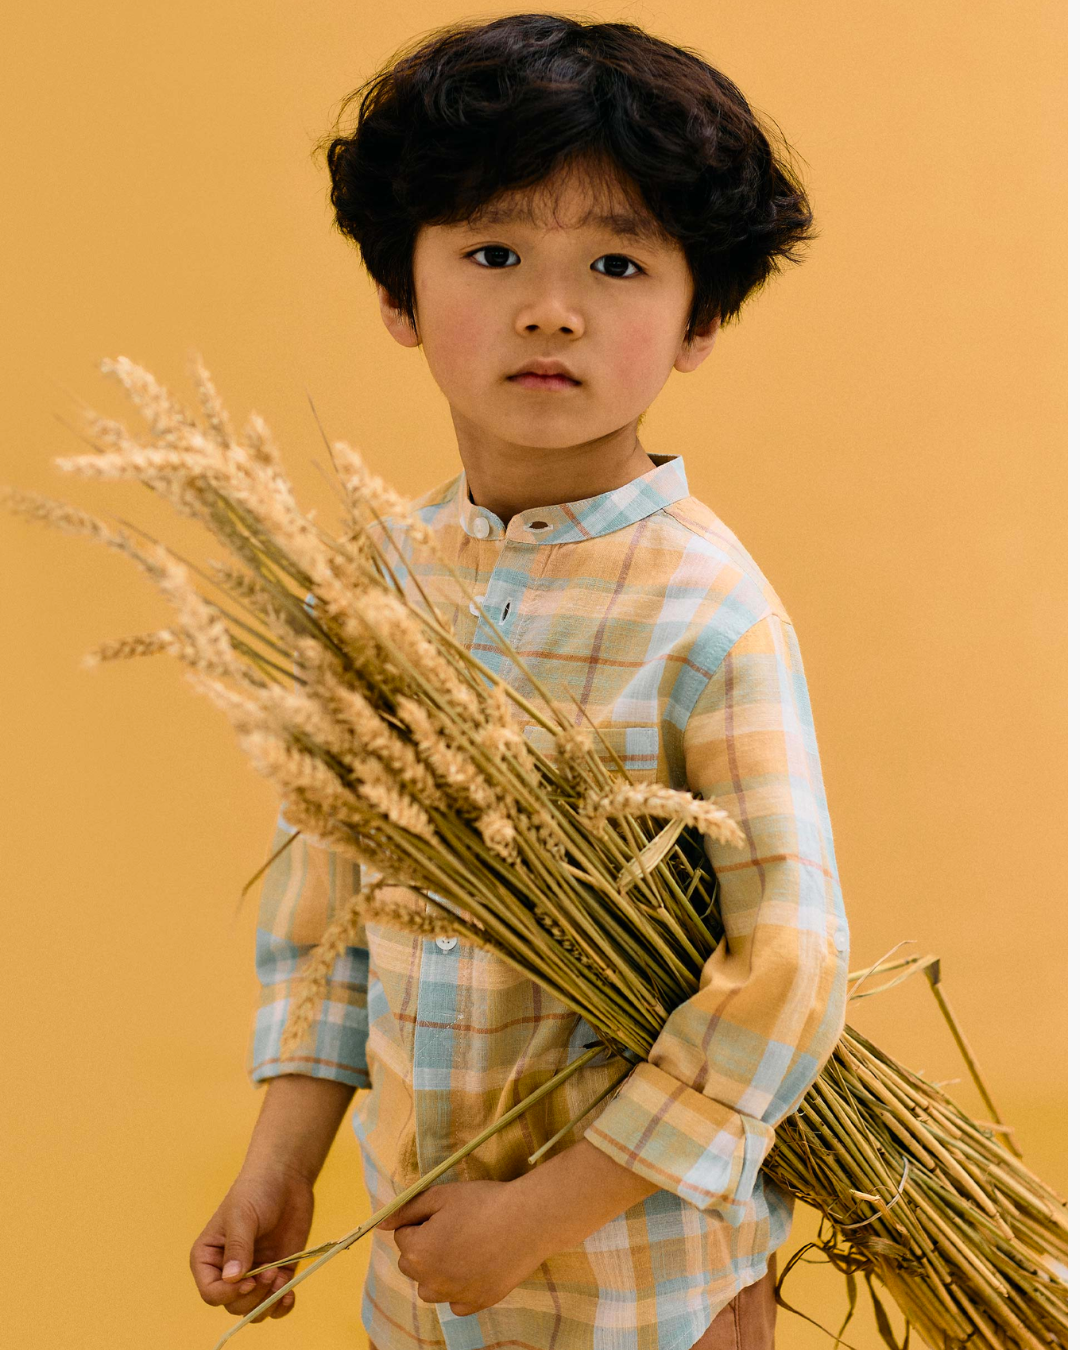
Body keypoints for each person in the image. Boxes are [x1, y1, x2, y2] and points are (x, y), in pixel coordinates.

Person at [190, 14, 850, 1349]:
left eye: (618, 261)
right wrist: (281, 1157)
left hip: (649, 1295)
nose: (552, 306)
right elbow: (328, 917)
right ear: (399, 293)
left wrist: (542, 1212)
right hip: (425, 1289)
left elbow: (787, 965)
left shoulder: (712, 617)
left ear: (698, 319)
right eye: (494, 253)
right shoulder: (375, 592)